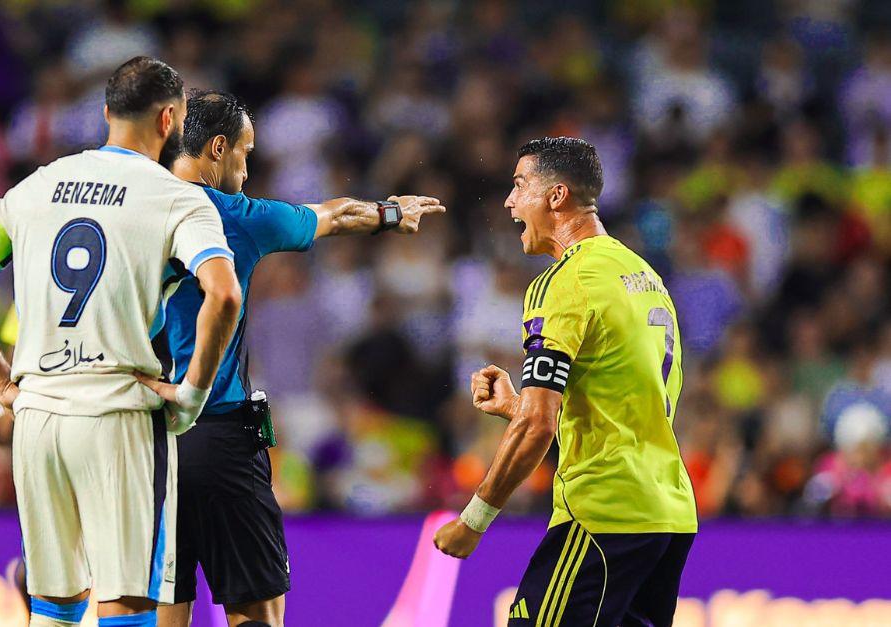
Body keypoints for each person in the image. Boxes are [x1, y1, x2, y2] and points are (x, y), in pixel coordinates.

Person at [136, 90, 446, 627]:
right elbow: (333, 216)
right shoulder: (232, 215)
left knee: (163, 604)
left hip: (140, 440)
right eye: (245, 153)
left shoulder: (130, 210)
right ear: (217, 148)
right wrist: (391, 213)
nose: (246, 169)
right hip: (216, 432)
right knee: (256, 609)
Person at [0, 57, 243, 627]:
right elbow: (224, 293)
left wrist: (1, 382)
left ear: (108, 113)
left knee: (53, 606)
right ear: (169, 120)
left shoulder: (36, 186)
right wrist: (191, 394)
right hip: (118, 412)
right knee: (127, 603)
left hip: (38, 418)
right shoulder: (178, 199)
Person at [433, 137, 697, 627]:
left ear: (556, 196)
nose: (509, 202)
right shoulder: (641, 273)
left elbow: (538, 425)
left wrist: (473, 521)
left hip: (604, 512)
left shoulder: (565, 281)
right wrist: (520, 405)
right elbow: (618, 403)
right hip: (668, 513)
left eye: (519, 186)